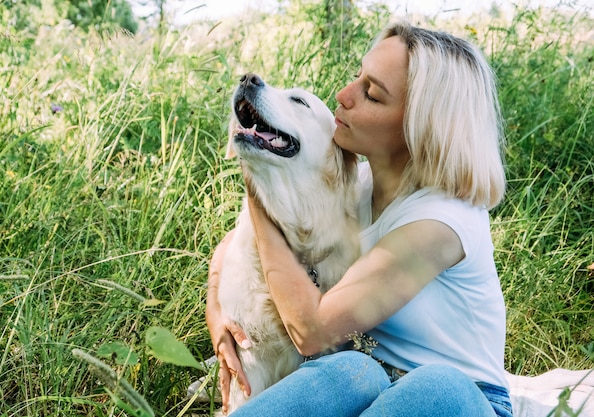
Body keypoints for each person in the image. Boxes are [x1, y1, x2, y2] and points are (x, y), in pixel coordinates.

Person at [205, 20, 513, 417]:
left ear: (418, 125)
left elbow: (312, 332)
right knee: (353, 369)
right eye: (357, 77)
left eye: (372, 94)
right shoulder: (357, 186)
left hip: (459, 402)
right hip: (370, 390)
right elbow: (233, 246)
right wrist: (219, 317)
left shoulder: (441, 222)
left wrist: (256, 185)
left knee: (439, 384)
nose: (344, 95)